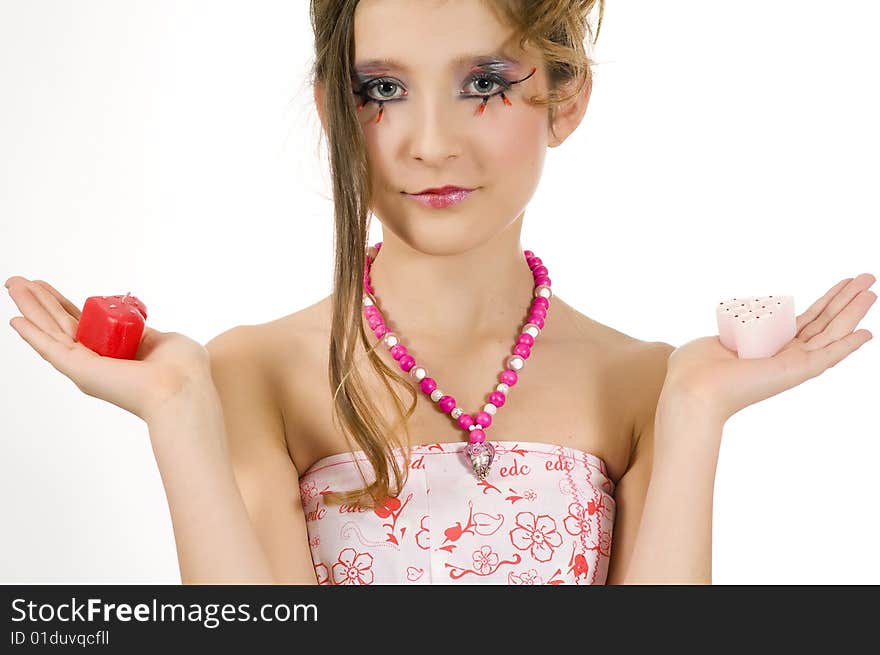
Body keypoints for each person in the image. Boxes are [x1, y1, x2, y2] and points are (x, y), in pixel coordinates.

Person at [4, 0, 876, 586]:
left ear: (564, 100)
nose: (428, 143)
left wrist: (694, 411)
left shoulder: (644, 382)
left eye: (484, 85)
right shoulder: (252, 372)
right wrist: (178, 413)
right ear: (332, 109)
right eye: (381, 89)